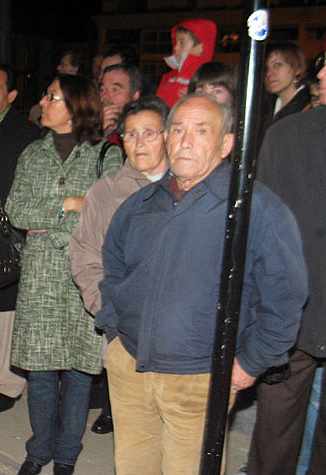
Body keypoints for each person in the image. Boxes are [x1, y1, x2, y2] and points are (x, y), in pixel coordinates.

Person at [97, 93, 308, 475]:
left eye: (200, 130)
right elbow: (111, 267)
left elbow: (286, 296)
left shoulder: (253, 208)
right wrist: (113, 331)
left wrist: (251, 362)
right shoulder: (142, 202)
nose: (184, 141)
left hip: (200, 379)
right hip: (130, 369)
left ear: (226, 143)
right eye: (177, 130)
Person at [5, 74, 123, 475]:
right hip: (39, 277)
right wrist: (70, 204)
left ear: (74, 106)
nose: (43, 100)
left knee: (77, 372)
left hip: (83, 279)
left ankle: (67, 454)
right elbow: (17, 211)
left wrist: (70, 214)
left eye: (51, 95)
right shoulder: (32, 154)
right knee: (39, 371)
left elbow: (108, 215)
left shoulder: (105, 155)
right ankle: (39, 450)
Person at [244, 51, 326, 475]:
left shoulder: (286, 132)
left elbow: (264, 229)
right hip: (293, 308)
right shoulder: (287, 133)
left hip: (291, 307)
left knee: (277, 432)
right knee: (282, 431)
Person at [71, 96, 169, 437]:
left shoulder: (188, 186)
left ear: (168, 135)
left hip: (180, 336)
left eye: (149, 133)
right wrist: (108, 313)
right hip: (124, 332)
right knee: (134, 437)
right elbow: (84, 255)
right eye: (130, 135)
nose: (139, 143)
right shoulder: (107, 191)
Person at [0, 64, 40, 414]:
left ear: (11, 95)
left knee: (10, 310)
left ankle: (12, 383)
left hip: (10, 230)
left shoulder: (26, 133)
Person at [256, 42, 310, 150]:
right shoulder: (264, 108)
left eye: (277, 64)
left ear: (297, 68)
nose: (269, 73)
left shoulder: (308, 108)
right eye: (266, 68)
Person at [156, 18, 217, 107]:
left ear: (200, 48)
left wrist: (194, 100)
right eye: (175, 42)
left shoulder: (207, 78)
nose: (176, 48)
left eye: (182, 43)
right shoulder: (169, 77)